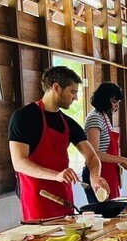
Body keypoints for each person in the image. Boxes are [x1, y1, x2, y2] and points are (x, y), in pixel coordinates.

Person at [8, 66, 109, 220]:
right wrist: (56, 175)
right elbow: (19, 163)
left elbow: (92, 157)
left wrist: (95, 177)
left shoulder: (68, 123)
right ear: (56, 88)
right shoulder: (23, 117)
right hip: (38, 199)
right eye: (73, 92)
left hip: (65, 199)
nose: (75, 98)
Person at [81, 82, 127, 203]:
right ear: (103, 99)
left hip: (109, 172)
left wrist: (121, 162)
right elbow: (94, 153)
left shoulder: (104, 117)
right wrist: (123, 159)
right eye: (114, 102)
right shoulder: (94, 117)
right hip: (97, 173)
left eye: (118, 102)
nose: (117, 106)